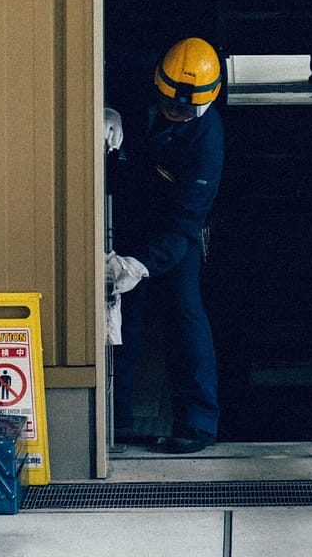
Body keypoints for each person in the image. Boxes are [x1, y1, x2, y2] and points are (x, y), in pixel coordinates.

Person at [104, 36, 225, 455]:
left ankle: (198, 422)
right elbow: (86, 69)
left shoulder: (207, 142)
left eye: (183, 111)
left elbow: (186, 224)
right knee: (120, 320)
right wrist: (107, 108)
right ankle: (112, 420)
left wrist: (140, 265)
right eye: (167, 103)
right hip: (128, 206)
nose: (173, 112)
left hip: (175, 227)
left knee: (184, 314)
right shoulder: (133, 66)